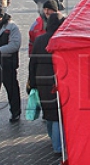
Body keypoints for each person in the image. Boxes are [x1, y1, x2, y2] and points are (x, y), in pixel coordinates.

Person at [27, 10, 65, 154]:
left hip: (41, 80)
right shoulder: (61, 41)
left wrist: (32, 81)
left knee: (48, 112)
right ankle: (58, 147)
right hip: (56, 82)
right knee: (56, 115)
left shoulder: (40, 40)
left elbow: (33, 62)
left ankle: (51, 138)